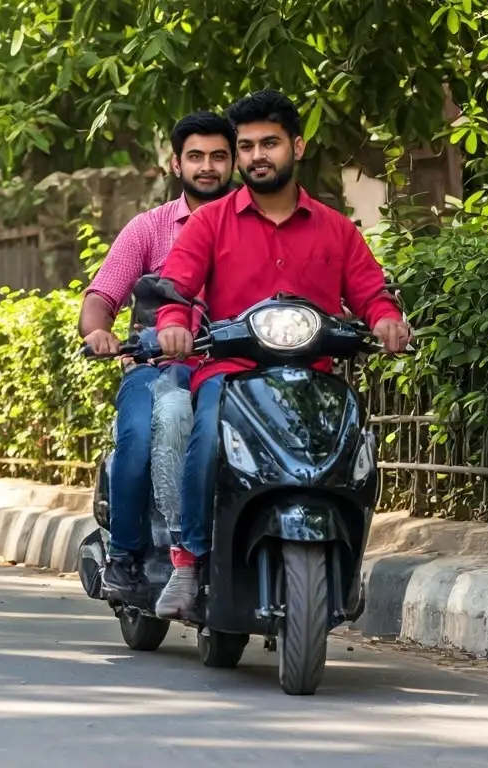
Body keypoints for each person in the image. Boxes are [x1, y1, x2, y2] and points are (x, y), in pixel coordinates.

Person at [152, 90, 412, 619]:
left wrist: (386, 319)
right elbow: (176, 288)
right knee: (206, 437)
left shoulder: (336, 227)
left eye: (268, 144)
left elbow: (370, 291)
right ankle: (188, 560)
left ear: (297, 146)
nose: (257, 156)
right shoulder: (210, 222)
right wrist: (174, 325)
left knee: (356, 446)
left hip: (313, 376)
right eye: (246, 147)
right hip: (230, 374)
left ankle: (349, 559)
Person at [79, 111, 236, 605]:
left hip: (235, 367)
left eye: (218, 156)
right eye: (196, 156)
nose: (207, 166)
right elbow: (102, 296)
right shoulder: (149, 228)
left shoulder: (254, 226)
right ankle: (125, 557)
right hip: (155, 368)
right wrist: (99, 332)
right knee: (138, 435)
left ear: (234, 162)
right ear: (176, 164)